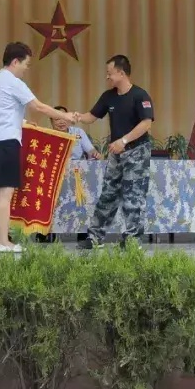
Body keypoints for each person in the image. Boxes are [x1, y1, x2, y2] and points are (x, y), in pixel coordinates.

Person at [0, 42, 74, 253]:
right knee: (5, 195)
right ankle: (3, 242)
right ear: (15, 61)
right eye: (26, 64)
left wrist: (23, 123)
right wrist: (65, 116)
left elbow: (2, 112)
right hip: (5, 144)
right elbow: (38, 106)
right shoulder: (13, 82)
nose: (26, 68)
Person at [71, 55, 154, 248]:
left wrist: (124, 141)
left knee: (134, 196)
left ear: (121, 73)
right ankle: (95, 237)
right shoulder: (109, 96)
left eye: (110, 73)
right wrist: (76, 117)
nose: (107, 77)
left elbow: (146, 123)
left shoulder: (140, 95)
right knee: (108, 193)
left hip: (137, 151)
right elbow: (91, 116)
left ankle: (132, 240)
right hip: (116, 153)